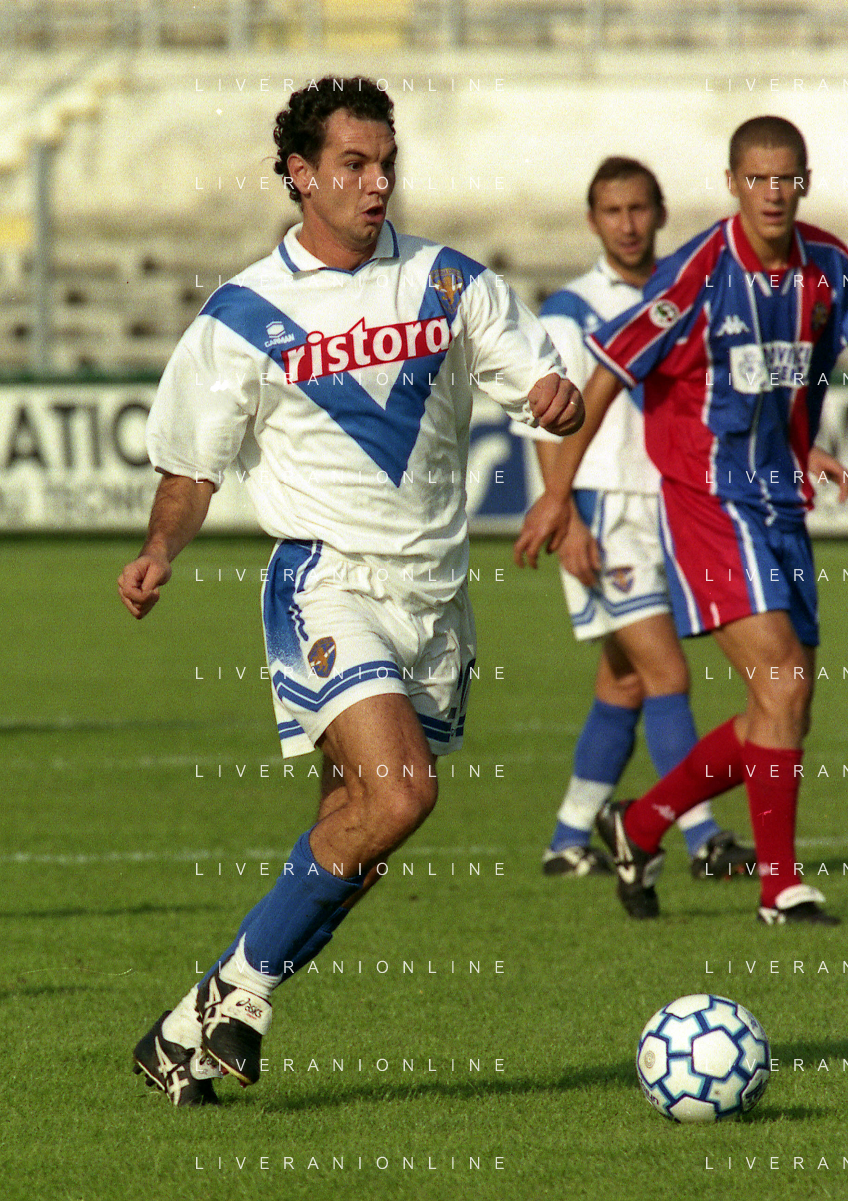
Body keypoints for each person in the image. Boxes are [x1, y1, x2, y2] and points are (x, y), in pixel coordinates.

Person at [118, 76, 582, 1106]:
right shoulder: (243, 314)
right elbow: (191, 468)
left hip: (434, 598)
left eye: (386, 165)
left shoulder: (447, 283)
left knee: (360, 828)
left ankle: (190, 1026)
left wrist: (555, 399)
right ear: (301, 174)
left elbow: (541, 383)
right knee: (403, 792)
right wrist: (160, 550)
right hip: (325, 580)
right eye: (353, 165)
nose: (377, 185)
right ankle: (241, 995)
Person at [515, 115, 848, 924]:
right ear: (733, 183)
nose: (772, 193)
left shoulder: (831, 266)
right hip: (705, 500)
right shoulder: (697, 273)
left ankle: (638, 824)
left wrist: (801, 445)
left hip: (780, 500)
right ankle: (779, 887)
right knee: (776, 682)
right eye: (756, 178)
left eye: (786, 178)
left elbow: (799, 373)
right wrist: (559, 494)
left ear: (803, 183)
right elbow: (605, 374)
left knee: (785, 703)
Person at [516, 157, 755, 880]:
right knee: (665, 672)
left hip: (674, 506)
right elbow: (543, 420)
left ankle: (566, 841)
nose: (627, 224)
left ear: (660, 212)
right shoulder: (570, 309)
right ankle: (703, 839)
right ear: (593, 220)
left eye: (638, 209)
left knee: (623, 681)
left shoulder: (681, 295)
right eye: (613, 211)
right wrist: (567, 516)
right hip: (603, 507)